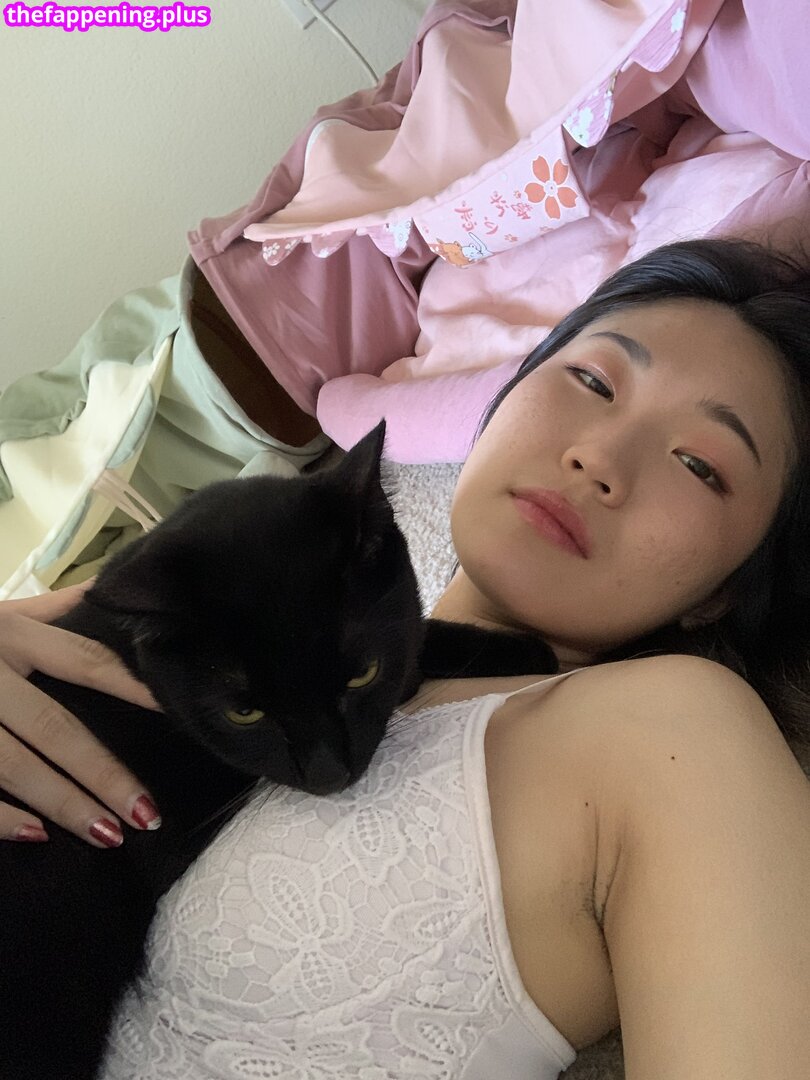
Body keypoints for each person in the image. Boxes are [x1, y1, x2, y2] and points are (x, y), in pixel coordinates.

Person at [0, 239, 808, 1077]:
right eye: (593, 381)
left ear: (725, 592)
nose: (598, 458)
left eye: (699, 464)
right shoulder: (241, 608)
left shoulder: (682, 732)